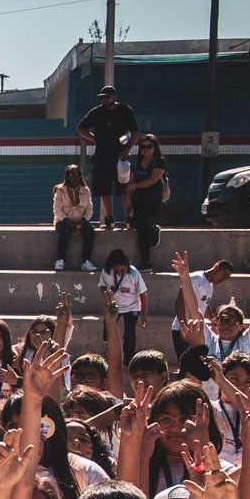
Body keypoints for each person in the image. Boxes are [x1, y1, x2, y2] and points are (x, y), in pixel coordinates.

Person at [76, 84, 139, 230]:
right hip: (102, 156)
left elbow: (135, 132)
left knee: (124, 188)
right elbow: (81, 128)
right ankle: (109, 218)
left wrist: (127, 149)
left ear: (114, 97)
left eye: (107, 97)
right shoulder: (96, 112)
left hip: (120, 157)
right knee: (104, 188)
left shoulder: (125, 110)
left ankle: (129, 218)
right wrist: (95, 139)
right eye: (101, 98)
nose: (104, 100)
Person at [126, 133, 168, 271]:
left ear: (155, 148)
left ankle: (153, 231)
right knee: (139, 227)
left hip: (153, 200)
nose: (145, 149)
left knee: (139, 221)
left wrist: (135, 186)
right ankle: (146, 261)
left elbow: (151, 180)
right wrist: (129, 199)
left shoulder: (159, 162)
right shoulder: (136, 163)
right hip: (138, 200)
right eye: (143, 147)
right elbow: (131, 182)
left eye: (149, 146)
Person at [97, 249, 147, 359]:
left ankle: (128, 359)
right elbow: (102, 286)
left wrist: (144, 314)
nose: (120, 273)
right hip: (114, 305)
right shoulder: (106, 271)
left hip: (132, 306)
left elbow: (143, 294)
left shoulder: (134, 274)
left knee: (129, 333)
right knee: (107, 331)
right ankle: (111, 354)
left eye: (123, 270)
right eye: (117, 271)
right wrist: (107, 297)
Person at [52, 163, 96, 271]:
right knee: (65, 231)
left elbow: (89, 210)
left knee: (90, 230)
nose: (75, 177)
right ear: (67, 176)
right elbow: (57, 209)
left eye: (77, 174)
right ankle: (60, 260)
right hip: (63, 221)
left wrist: (82, 221)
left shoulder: (86, 190)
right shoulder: (60, 190)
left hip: (80, 221)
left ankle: (85, 262)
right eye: (71, 175)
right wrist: (67, 221)